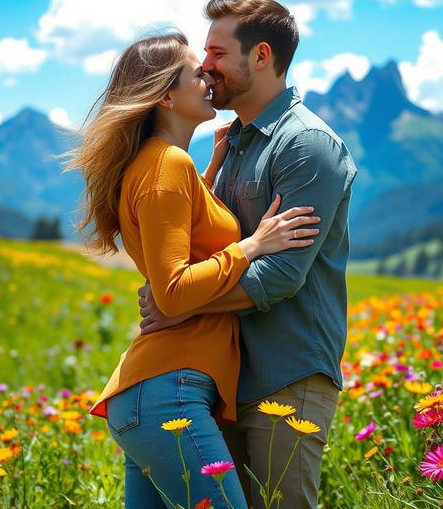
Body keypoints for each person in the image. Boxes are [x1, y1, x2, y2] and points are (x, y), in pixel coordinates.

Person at [67, 32, 321, 509]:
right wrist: (251, 246)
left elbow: (182, 226)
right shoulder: (166, 165)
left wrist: (212, 168)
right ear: (165, 94)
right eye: (195, 72)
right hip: (169, 397)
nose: (208, 76)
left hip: (154, 397)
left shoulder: (162, 165)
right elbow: (174, 293)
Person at [138, 0, 358, 509]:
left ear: (260, 56)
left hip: (288, 372)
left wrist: (178, 305)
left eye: (216, 51)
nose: (206, 64)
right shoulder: (232, 141)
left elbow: (280, 274)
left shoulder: (306, 145)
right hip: (226, 376)